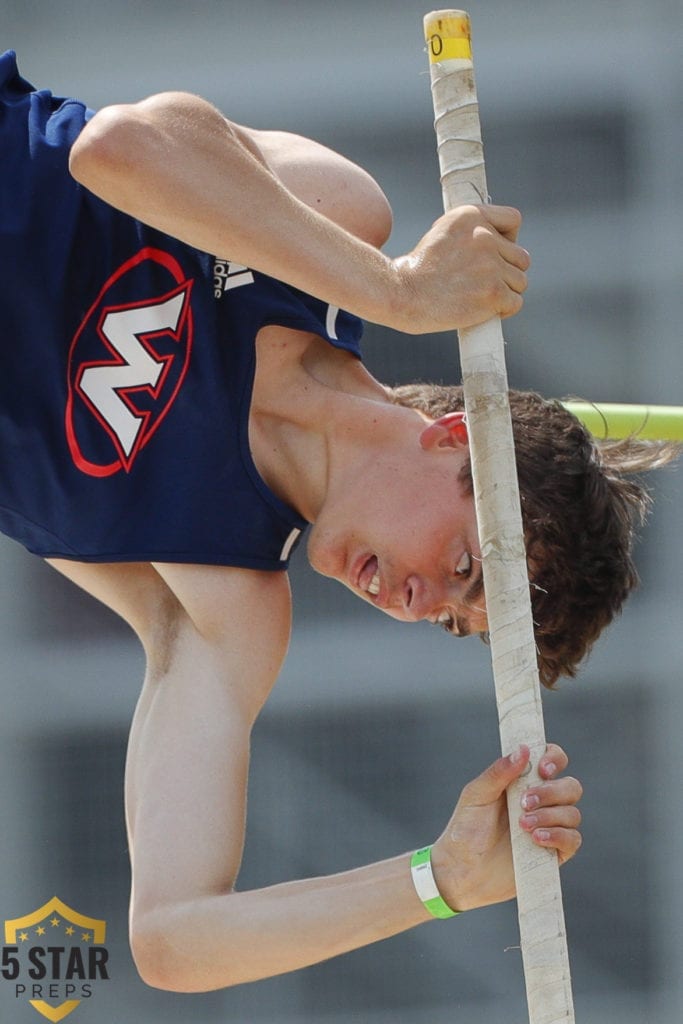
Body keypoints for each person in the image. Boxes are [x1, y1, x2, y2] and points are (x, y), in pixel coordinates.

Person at [1, 49, 671, 993]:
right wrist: (395, 289)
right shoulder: (334, 232)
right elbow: (119, 148)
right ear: (452, 440)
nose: (413, 601)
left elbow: (175, 941)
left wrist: (434, 881)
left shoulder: (225, 607)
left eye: (446, 618)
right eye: (465, 570)